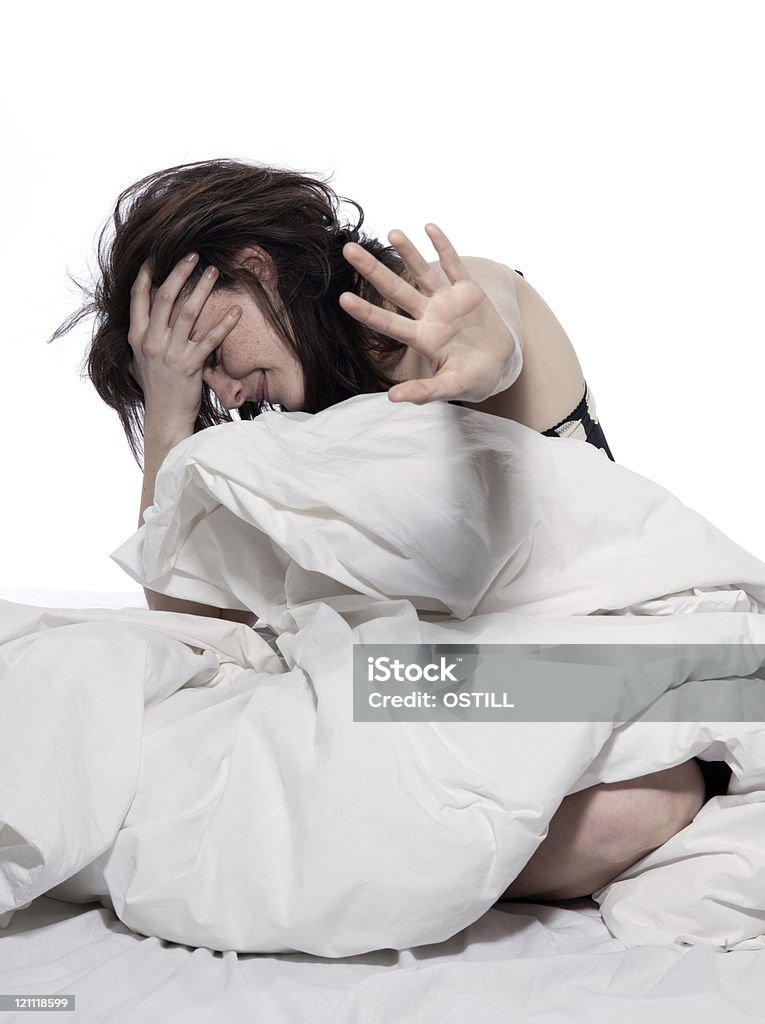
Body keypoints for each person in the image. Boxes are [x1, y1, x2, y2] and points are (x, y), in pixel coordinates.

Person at [52, 157, 713, 906]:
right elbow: (197, 631)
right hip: (433, 693)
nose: (228, 394)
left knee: (646, 801)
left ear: (255, 268)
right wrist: (170, 413)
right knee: (166, 703)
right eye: (201, 385)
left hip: (591, 670)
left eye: (212, 360)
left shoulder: (433, 310)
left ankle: (300, 854)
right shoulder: (289, 447)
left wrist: (484, 351)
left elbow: (487, 321)